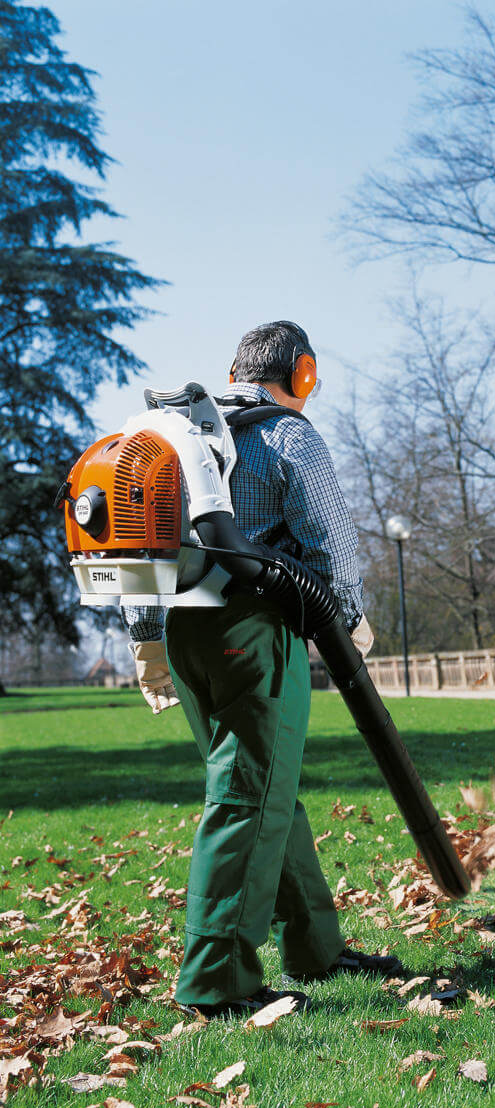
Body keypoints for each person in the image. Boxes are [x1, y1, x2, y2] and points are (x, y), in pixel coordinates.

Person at [123, 320, 402, 1018]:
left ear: (233, 370)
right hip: (253, 628)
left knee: (263, 786)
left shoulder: (175, 437)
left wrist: (147, 641)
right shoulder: (289, 434)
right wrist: (352, 619)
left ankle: (315, 945)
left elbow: (135, 537)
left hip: (183, 631)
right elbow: (327, 539)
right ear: (302, 374)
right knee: (249, 795)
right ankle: (218, 985)